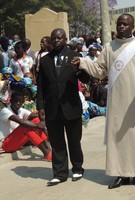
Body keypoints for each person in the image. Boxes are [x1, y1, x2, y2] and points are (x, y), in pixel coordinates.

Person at [71, 13, 135, 189]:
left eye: (125, 24)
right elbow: (99, 70)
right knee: (118, 138)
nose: (121, 27)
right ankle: (121, 174)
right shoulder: (109, 47)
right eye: (119, 24)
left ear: (132, 27)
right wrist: (82, 62)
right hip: (118, 101)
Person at [37, 28, 89, 186]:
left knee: (74, 140)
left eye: (60, 38)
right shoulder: (45, 60)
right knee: (57, 141)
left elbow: (86, 77)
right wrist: (40, 106)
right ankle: (59, 173)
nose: (57, 40)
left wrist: (78, 71)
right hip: (52, 107)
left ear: (65, 39)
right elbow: (41, 86)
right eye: (54, 38)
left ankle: (78, 169)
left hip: (71, 106)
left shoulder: (75, 56)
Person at [0, 92, 51, 161]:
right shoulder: (5, 111)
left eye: (20, 102)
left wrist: (42, 121)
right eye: (16, 101)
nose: (18, 103)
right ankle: (46, 153)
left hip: (17, 141)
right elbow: (21, 122)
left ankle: (48, 148)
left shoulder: (20, 110)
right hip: (6, 144)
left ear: (22, 102)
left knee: (36, 120)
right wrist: (38, 126)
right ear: (11, 100)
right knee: (24, 126)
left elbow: (37, 116)